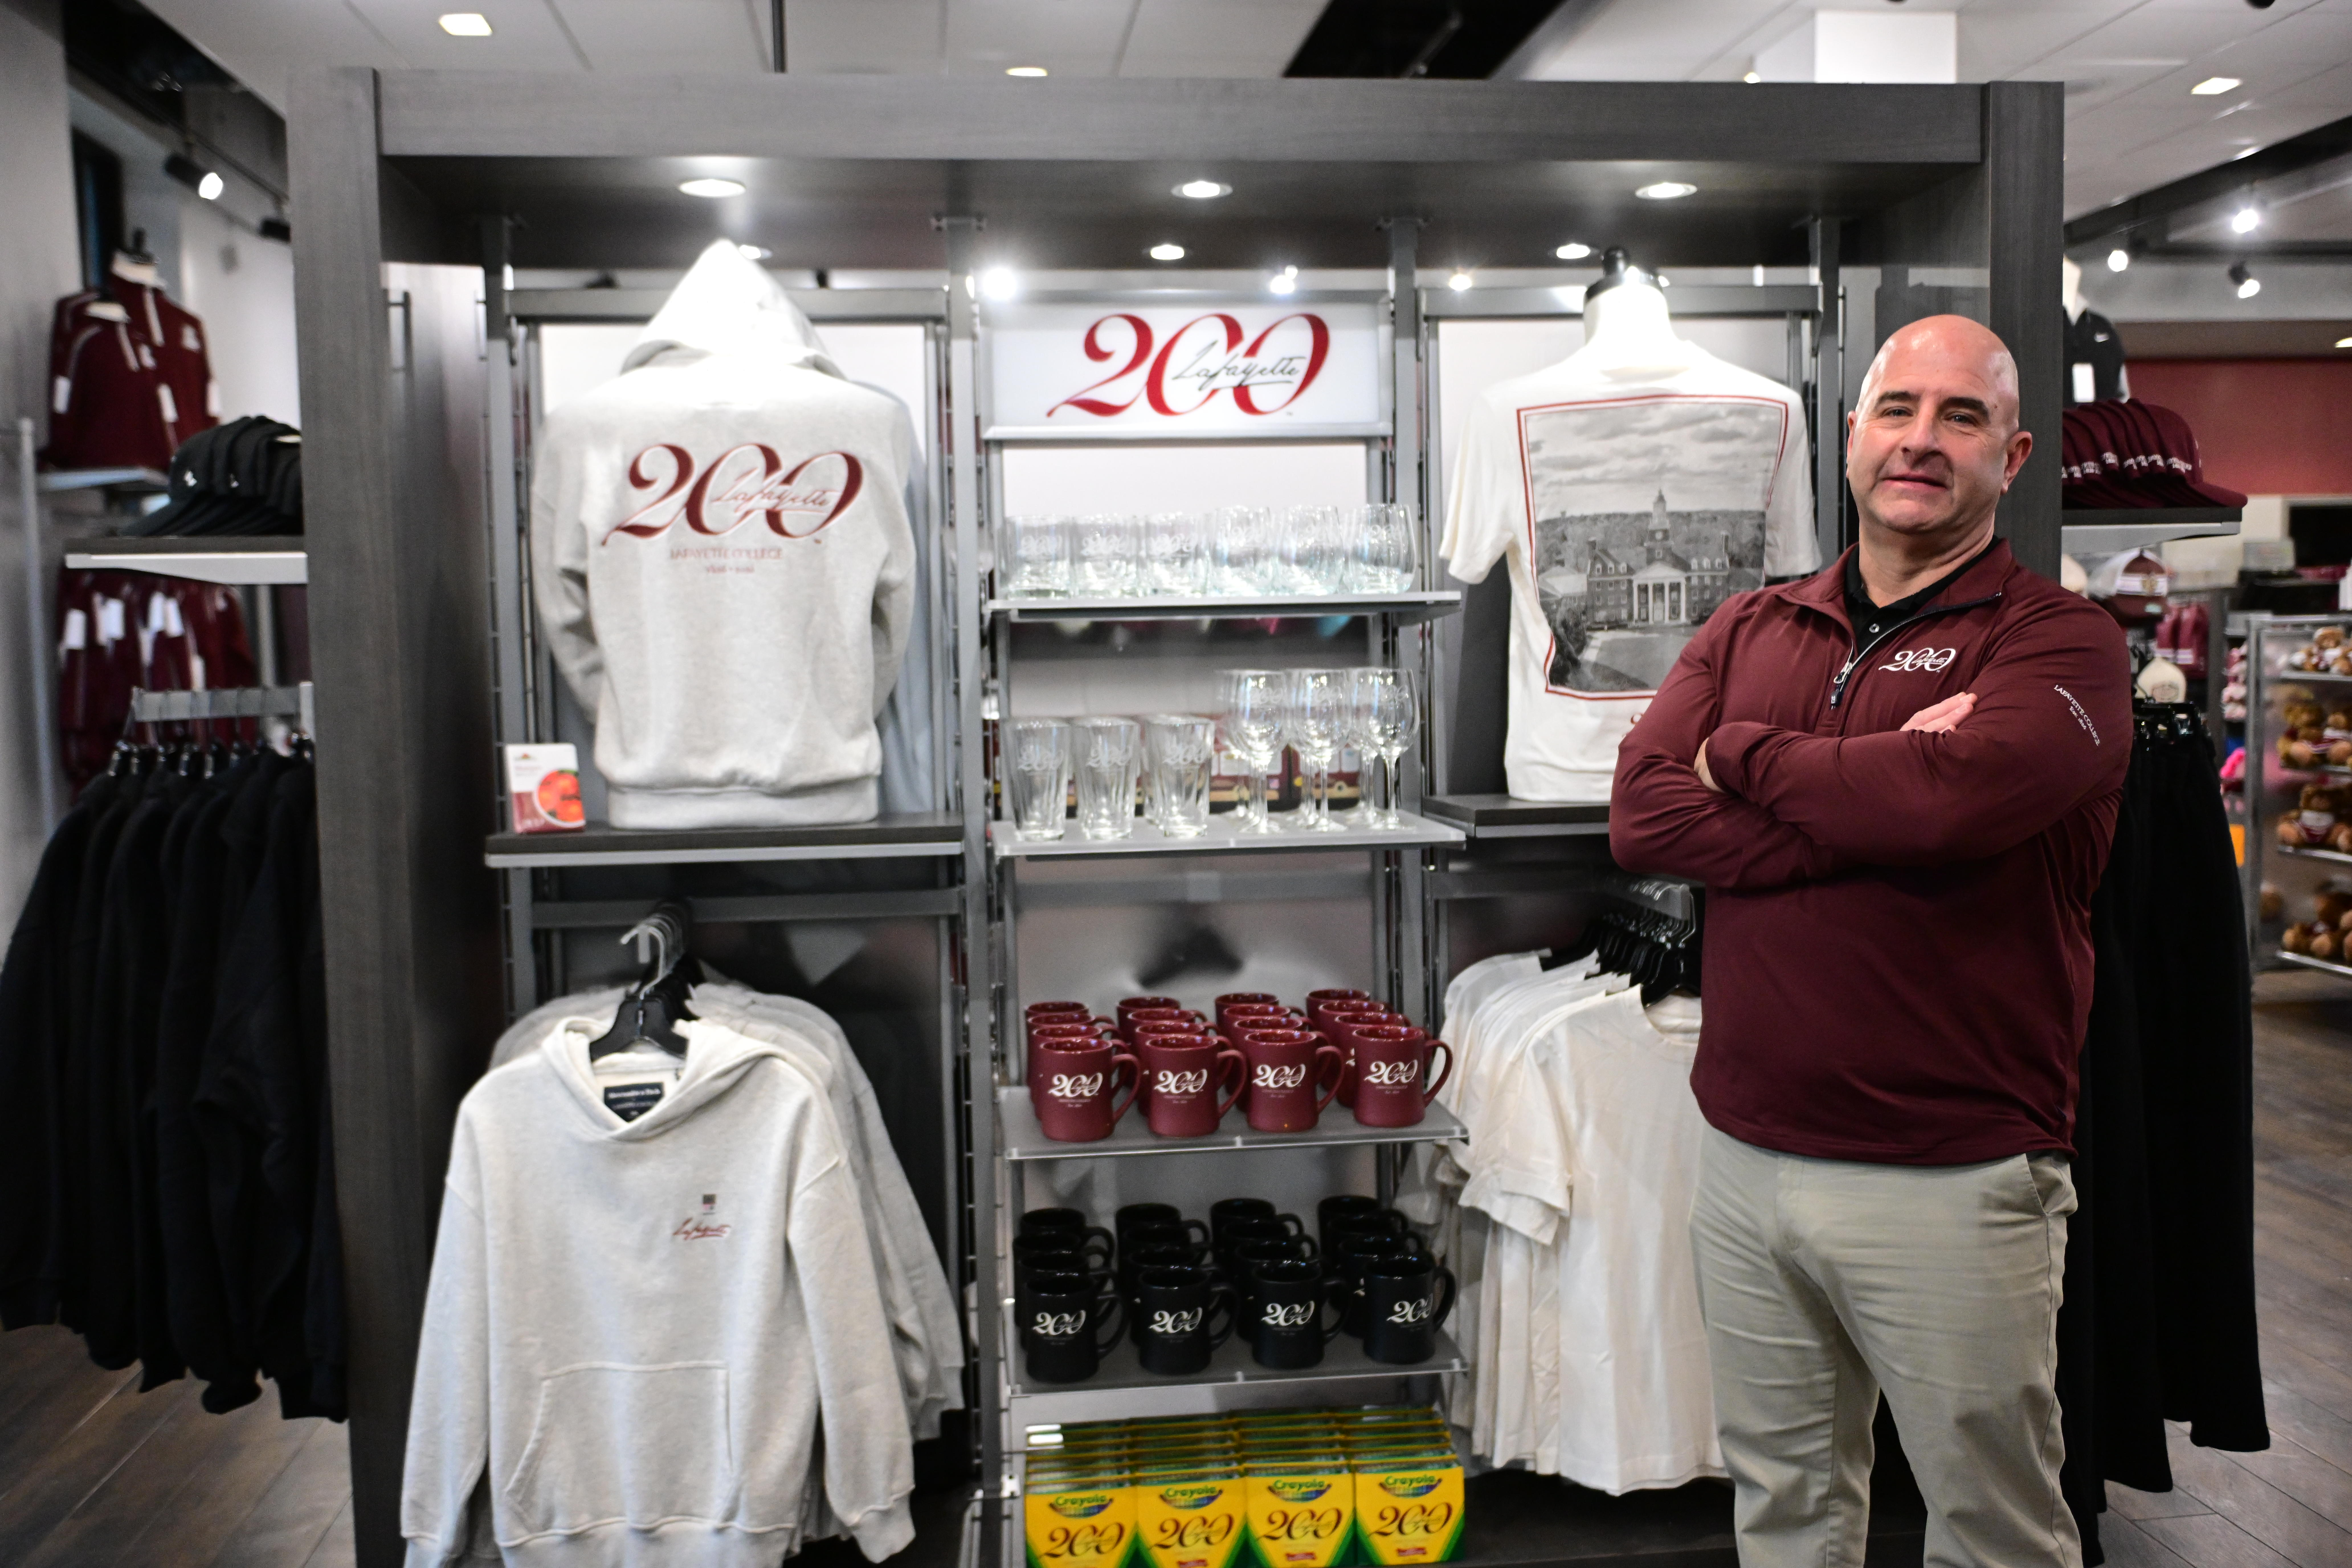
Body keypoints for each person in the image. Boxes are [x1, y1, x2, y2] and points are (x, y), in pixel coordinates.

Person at [1611, 315, 2130, 1567]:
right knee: (1785, 1509)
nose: (1920, 440)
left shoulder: (2061, 641)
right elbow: (1642, 813)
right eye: (1898, 408)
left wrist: (1740, 756)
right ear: (1852, 435)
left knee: (1994, 1527)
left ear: (2013, 458)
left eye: (1961, 419)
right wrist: (1872, 794)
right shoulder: (1749, 625)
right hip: (1742, 1155)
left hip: (1953, 1168)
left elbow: (1947, 801)